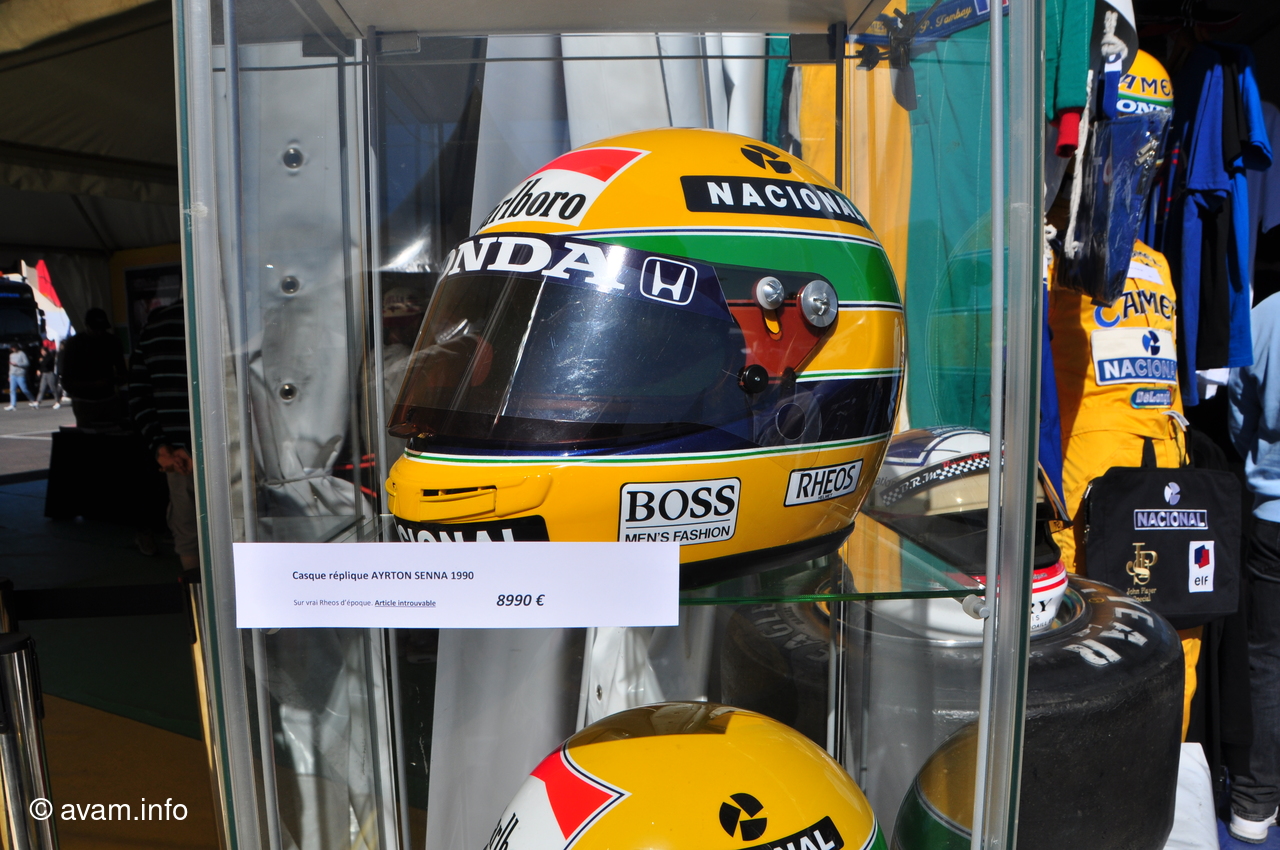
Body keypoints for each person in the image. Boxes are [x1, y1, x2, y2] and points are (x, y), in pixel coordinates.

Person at [1227, 288, 1280, 843]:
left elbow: (1239, 414)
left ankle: (1255, 798)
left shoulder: (1266, 314)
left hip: (1272, 514)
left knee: (1267, 659)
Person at [127, 300, 197, 570]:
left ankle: (196, 595)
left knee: (188, 535)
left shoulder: (155, 326)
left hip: (177, 458)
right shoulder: (233, 316)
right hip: (228, 451)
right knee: (243, 530)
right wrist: (193, 448)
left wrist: (161, 448)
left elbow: (138, 394)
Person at [59, 308, 126, 429]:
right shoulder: (111, 341)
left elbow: (122, 372)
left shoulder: (75, 343)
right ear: (87, 326)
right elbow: (66, 380)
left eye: (102, 329)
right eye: (96, 329)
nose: (99, 332)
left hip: (93, 399)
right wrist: (103, 383)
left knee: (90, 434)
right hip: (96, 399)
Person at [5, 344, 35, 410]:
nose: (13, 349)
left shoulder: (22, 354)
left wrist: (18, 364)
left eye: (14, 347)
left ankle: (33, 400)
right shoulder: (11, 355)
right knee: (12, 390)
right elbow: (10, 366)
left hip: (20, 374)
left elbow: (27, 363)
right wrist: (9, 375)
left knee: (24, 389)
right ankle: (13, 404)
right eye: (12, 348)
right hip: (13, 374)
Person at [32, 342, 60, 409]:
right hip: (44, 374)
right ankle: (38, 401)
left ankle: (57, 401)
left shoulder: (49, 357)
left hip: (50, 373)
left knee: (53, 388)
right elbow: (39, 365)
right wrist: (39, 369)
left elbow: (46, 365)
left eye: (43, 351)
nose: (42, 352)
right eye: (41, 351)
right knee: (42, 388)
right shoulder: (42, 358)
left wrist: (42, 361)